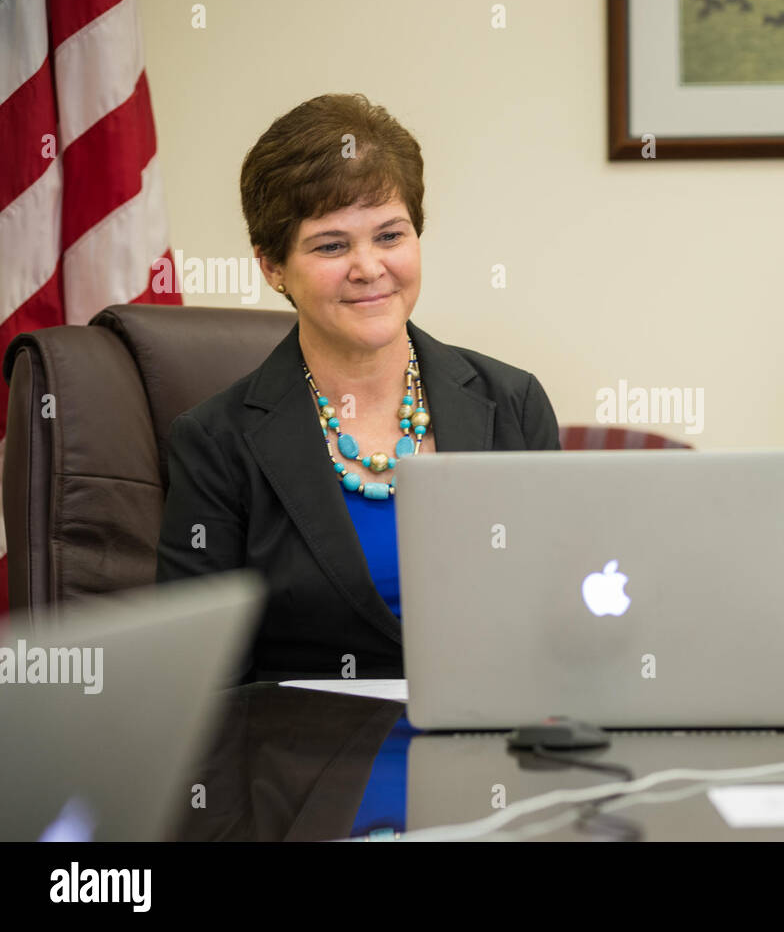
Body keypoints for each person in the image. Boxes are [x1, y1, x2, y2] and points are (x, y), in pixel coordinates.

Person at [155, 93, 560, 682]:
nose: (369, 268)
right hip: (306, 740)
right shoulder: (215, 442)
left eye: (390, 236)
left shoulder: (512, 402)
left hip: (490, 730)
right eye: (332, 245)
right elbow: (200, 682)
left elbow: (554, 618)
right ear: (272, 267)